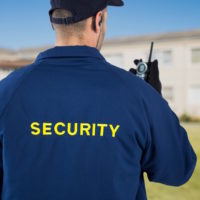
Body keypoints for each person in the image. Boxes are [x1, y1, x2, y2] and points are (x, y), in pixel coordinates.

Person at [0, 0, 197, 199]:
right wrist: (156, 100)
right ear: (98, 20)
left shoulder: (7, 91)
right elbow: (179, 169)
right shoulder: (140, 96)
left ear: (52, 22)